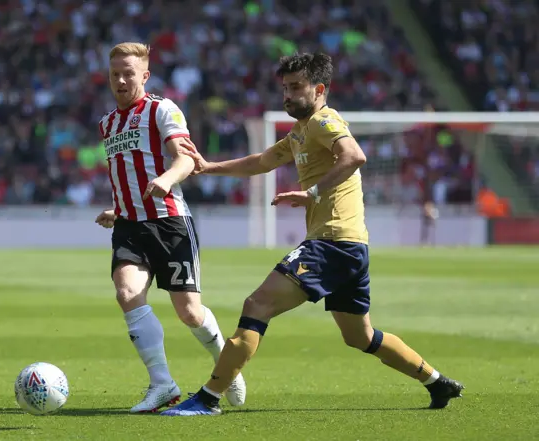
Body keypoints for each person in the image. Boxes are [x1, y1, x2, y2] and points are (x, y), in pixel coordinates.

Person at [162, 52, 464, 416]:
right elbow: (262, 162)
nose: (287, 96)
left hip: (332, 243)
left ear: (319, 89)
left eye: (295, 87)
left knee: (257, 305)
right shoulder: (301, 132)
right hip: (349, 246)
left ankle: (208, 398)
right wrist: (209, 168)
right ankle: (437, 381)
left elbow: (354, 156)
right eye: (284, 88)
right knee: (360, 336)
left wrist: (312, 193)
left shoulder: (324, 120)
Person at [94, 42, 246, 413]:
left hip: (170, 222)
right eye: (115, 74)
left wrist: (165, 179)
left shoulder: (163, 110)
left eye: (128, 73)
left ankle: (226, 369)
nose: (121, 80)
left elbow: (186, 161)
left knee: (189, 312)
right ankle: (162, 384)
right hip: (130, 225)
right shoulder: (107, 123)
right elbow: (126, 175)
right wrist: (117, 207)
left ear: (144, 75)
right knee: (127, 292)